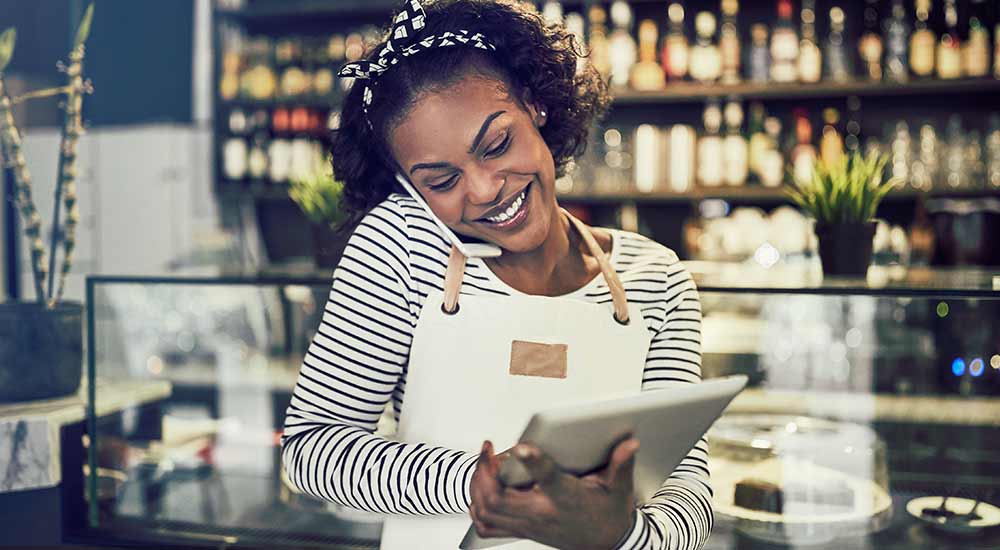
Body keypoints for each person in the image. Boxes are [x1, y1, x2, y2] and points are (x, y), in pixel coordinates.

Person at [281, 1, 710, 548]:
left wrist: (618, 533)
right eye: (441, 180)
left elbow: (688, 494)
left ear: (536, 107)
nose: (483, 190)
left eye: (497, 144)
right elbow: (311, 449)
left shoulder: (658, 279)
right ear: (411, 187)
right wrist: (478, 483)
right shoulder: (405, 247)